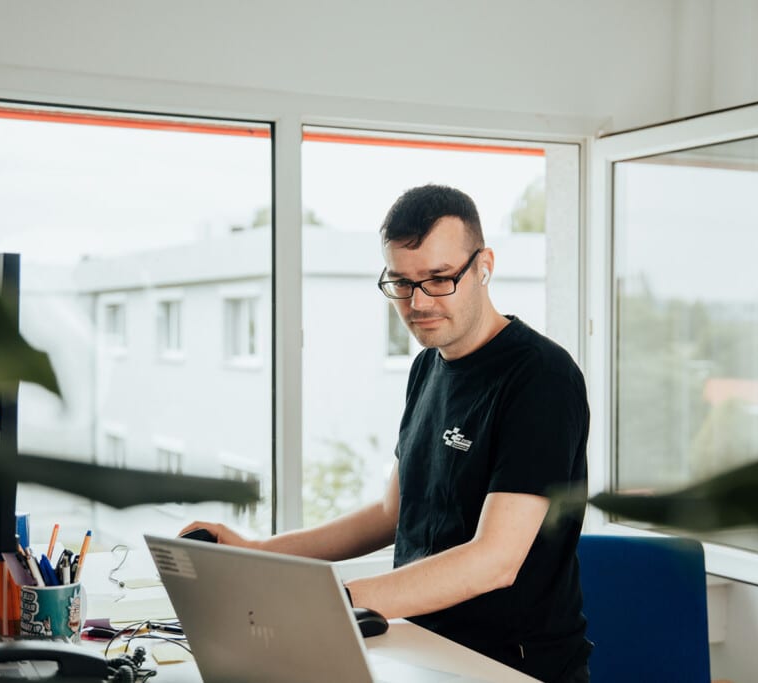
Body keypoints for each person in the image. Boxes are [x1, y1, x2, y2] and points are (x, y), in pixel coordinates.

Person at [182, 184, 591, 682]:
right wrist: (256, 553)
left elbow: (495, 561)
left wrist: (333, 605)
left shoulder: (540, 376)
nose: (417, 303)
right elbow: (389, 513)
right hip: (421, 647)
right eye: (401, 282)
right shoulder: (426, 368)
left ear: (484, 265)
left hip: (510, 666)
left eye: (439, 279)